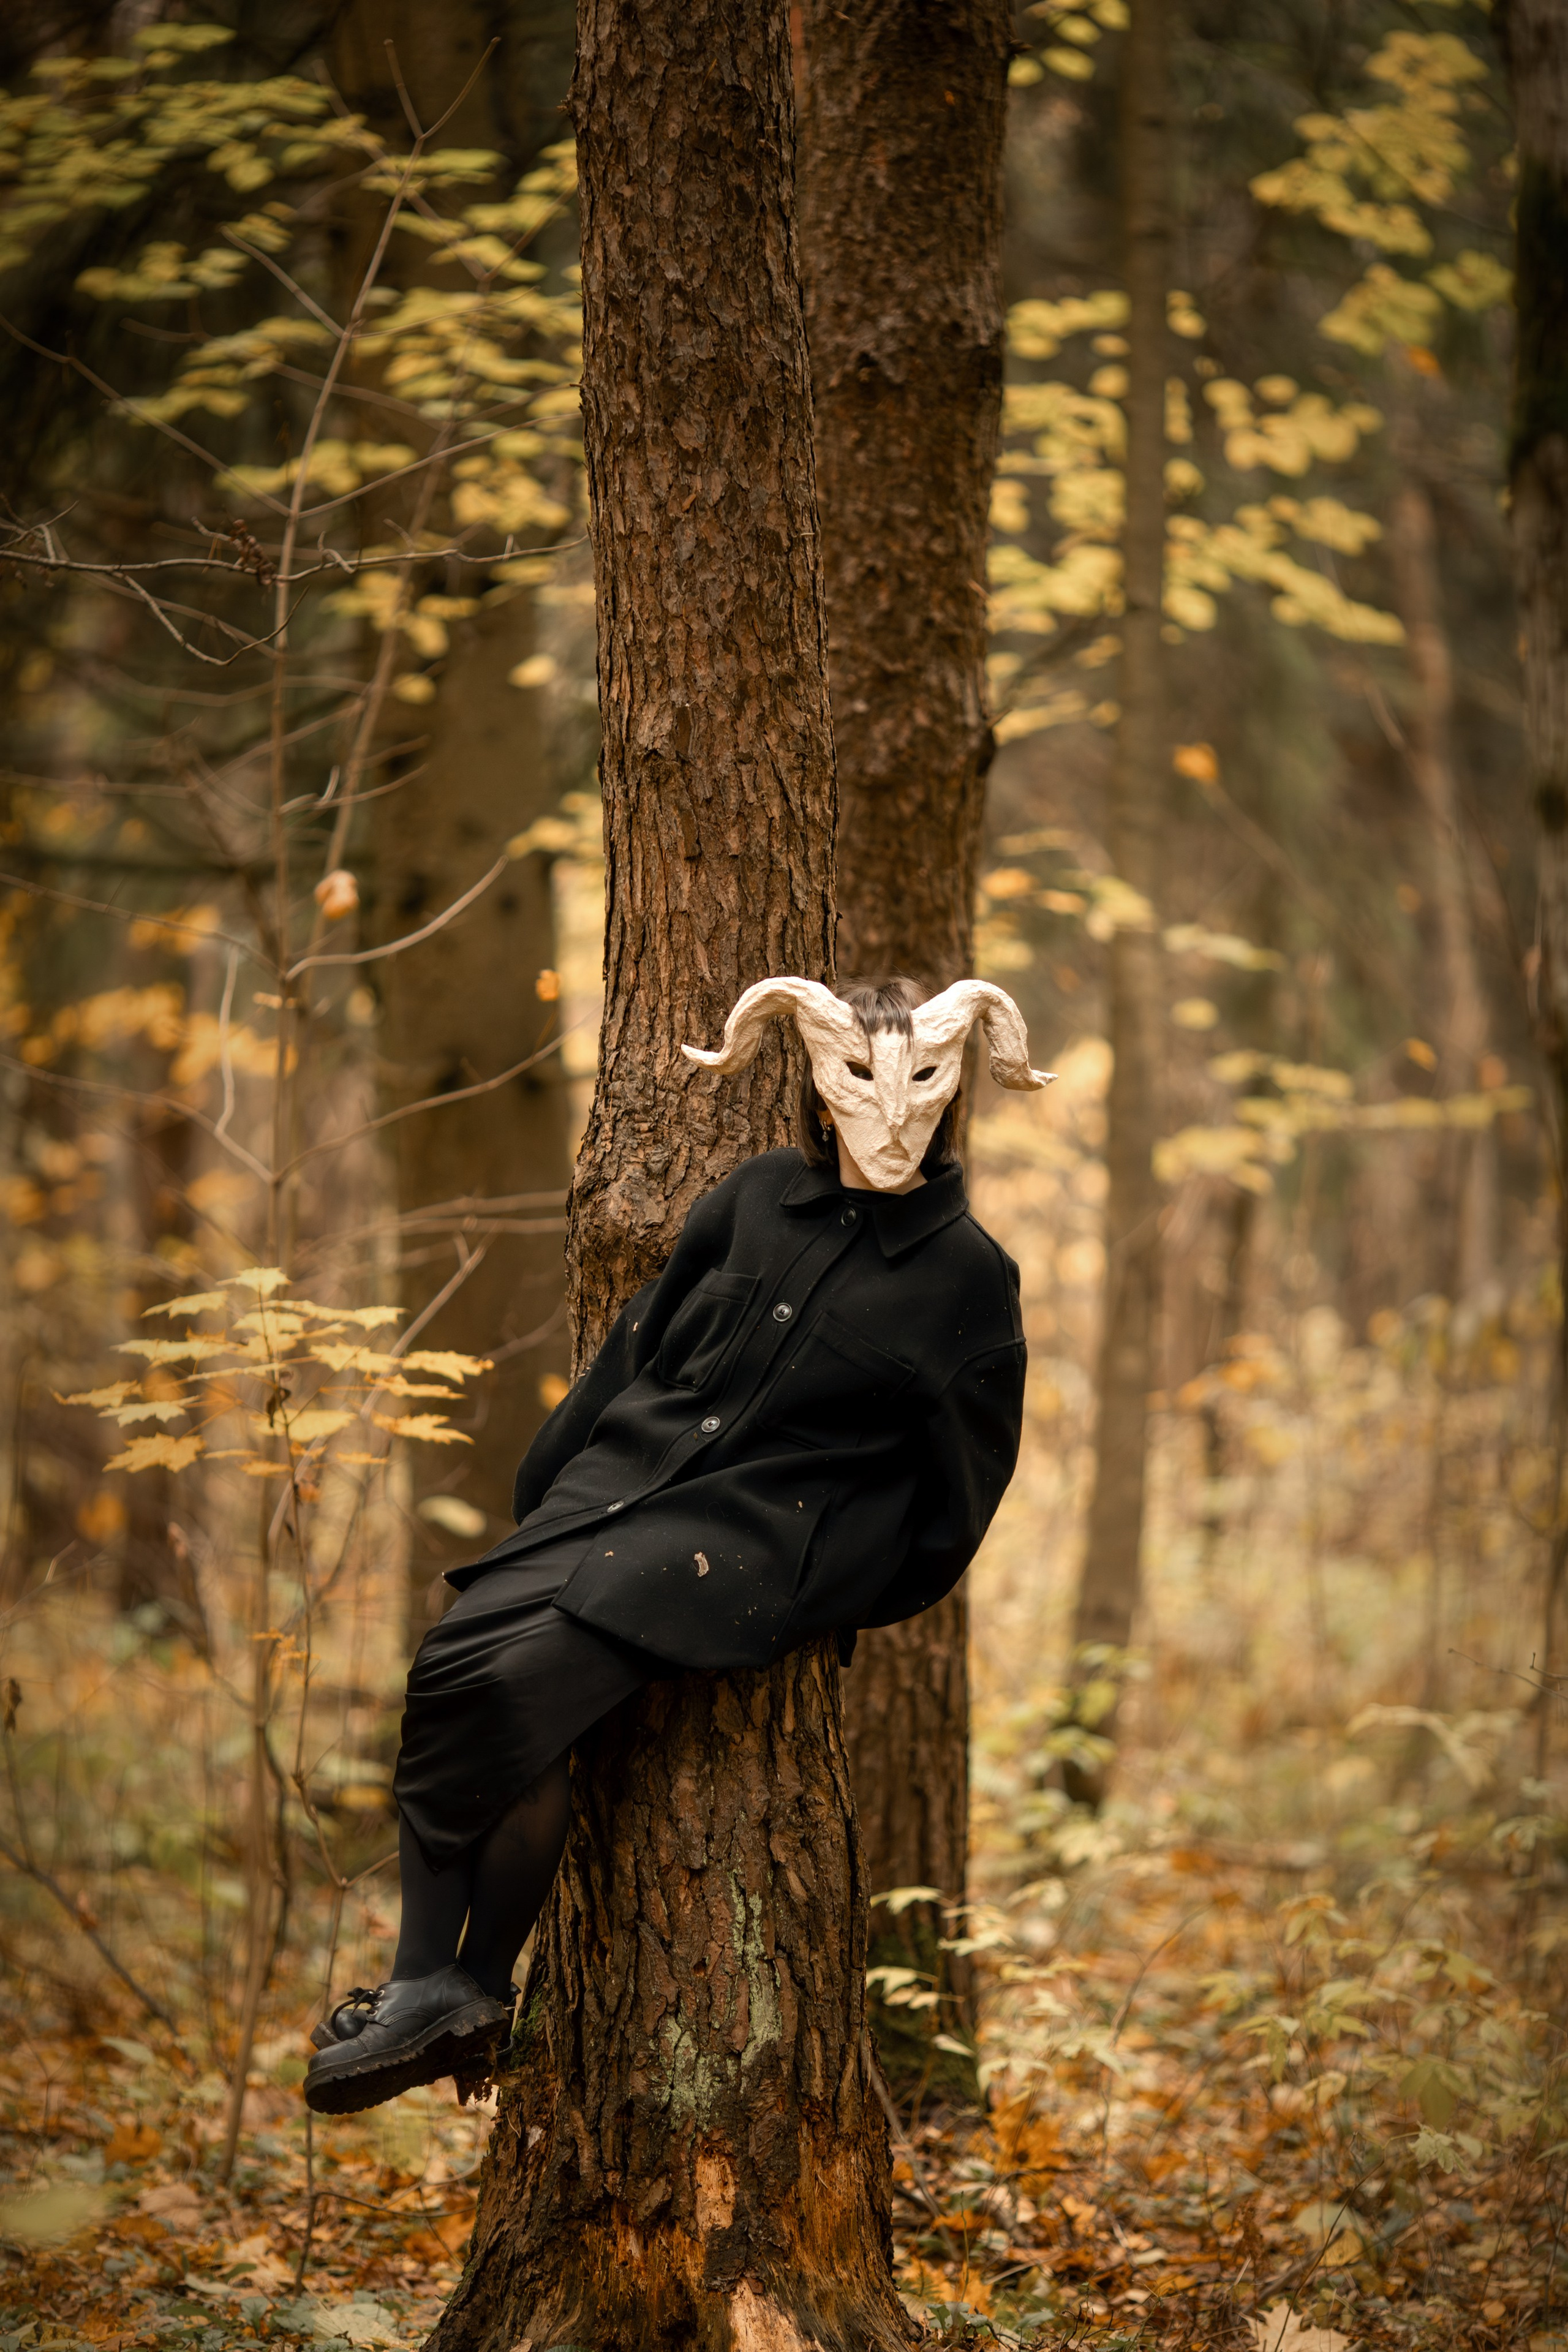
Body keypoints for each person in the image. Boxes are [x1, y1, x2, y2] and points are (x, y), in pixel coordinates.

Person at [303, 974, 1050, 2114]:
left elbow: (957, 1499)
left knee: (521, 1686)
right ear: (818, 1083)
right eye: (859, 1079)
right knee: (454, 1661)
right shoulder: (752, 1198)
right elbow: (635, 1352)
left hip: (741, 1549)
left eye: (922, 1085)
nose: (892, 1111)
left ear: (953, 1093)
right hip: (610, 1496)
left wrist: (825, 1588)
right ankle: (438, 1988)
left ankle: (459, 1983)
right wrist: (551, 1489)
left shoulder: (970, 1278)